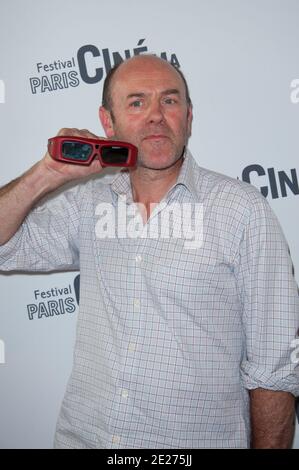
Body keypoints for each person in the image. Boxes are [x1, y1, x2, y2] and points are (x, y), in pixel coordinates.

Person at [0, 55, 298, 449]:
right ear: (108, 122)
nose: (156, 116)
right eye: (137, 102)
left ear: (188, 117)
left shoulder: (242, 211)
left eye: (169, 101)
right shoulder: (86, 202)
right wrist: (48, 174)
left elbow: (274, 370)